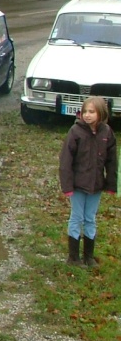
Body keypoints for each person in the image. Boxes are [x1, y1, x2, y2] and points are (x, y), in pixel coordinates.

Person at [59, 96, 117, 267]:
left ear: (101, 113)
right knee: (77, 217)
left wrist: (111, 184)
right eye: (85, 111)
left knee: (90, 218)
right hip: (77, 185)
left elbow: (112, 161)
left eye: (92, 112)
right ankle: (73, 257)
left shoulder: (107, 133)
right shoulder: (75, 132)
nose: (88, 115)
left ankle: (89, 256)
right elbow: (65, 160)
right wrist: (67, 186)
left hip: (96, 185)